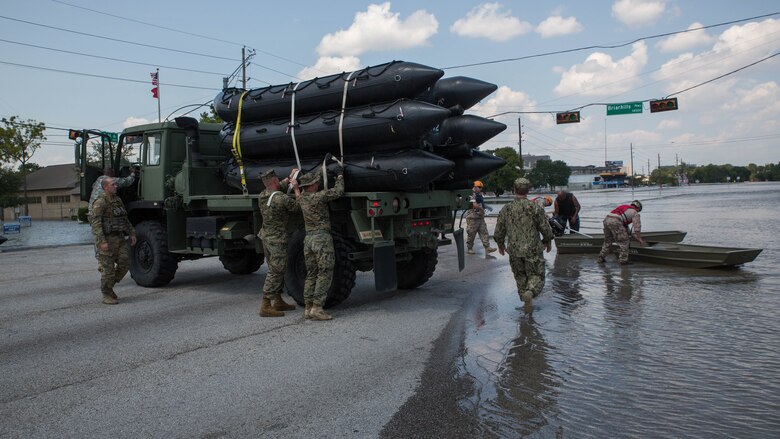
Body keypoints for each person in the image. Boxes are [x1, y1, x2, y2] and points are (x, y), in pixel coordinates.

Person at [494, 178, 554, 312]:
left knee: (520, 276)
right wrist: (547, 241)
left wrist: (500, 245)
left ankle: (525, 302)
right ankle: (531, 293)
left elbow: (499, 230)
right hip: (533, 249)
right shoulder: (535, 208)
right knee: (537, 275)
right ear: (528, 190)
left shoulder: (506, 208)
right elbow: (545, 228)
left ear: (514, 190)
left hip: (514, 250)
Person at [294, 166, 345, 321]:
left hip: (308, 240)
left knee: (311, 274)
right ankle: (317, 307)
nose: (317, 184)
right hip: (321, 239)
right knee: (325, 272)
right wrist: (340, 176)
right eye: (315, 183)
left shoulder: (302, 198)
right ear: (310, 186)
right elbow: (338, 191)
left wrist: (296, 185)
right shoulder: (319, 197)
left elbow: (297, 194)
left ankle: (308, 307)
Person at [257, 168, 301, 317]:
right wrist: (296, 189)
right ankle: (265, 304)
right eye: (277, 179)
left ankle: (277, 300)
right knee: (276, 271)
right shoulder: (281, 199)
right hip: (277, 240)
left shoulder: (263, 195)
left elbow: (277, 187)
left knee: (274, 268)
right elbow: (298, 207)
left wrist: (289, 178)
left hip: (266, 237)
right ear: (274, 181)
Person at [90, 177, 136, 305]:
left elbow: (124, 219)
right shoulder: (100, 202)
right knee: (108, 270)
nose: (116, 186)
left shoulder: (117, 200)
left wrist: (132, 232)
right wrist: (102, 241)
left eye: (115, 184)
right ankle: (106, 293)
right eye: (113, 184)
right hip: (107, 240)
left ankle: (109, 286)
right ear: (106, 187)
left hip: (119, 238)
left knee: (125, 262)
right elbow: (96, 223)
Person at [597, 200, 645, 265]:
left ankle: (601, 258)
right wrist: (639, 239)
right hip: (616, 221)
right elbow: (637, 228)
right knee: (624, 241)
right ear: (638, 208)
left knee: (607, 241)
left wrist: (635, 237)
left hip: (607, 219)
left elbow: (626, 229)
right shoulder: (635, 212)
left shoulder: (625, 208)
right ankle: (623, 261)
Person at [465, 180, 497, 257]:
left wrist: (486, 207)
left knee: (484, 232)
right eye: (479, 187)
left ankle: (487, 247)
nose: (480, 189)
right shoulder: (471, 194)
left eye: (480, 187)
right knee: (471, 234)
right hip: (472, 217)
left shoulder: (479, 194)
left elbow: (481, 203)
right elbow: (474, 205)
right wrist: (482, 209)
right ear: (475, 187)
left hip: (480, 217)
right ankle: (470, 248)